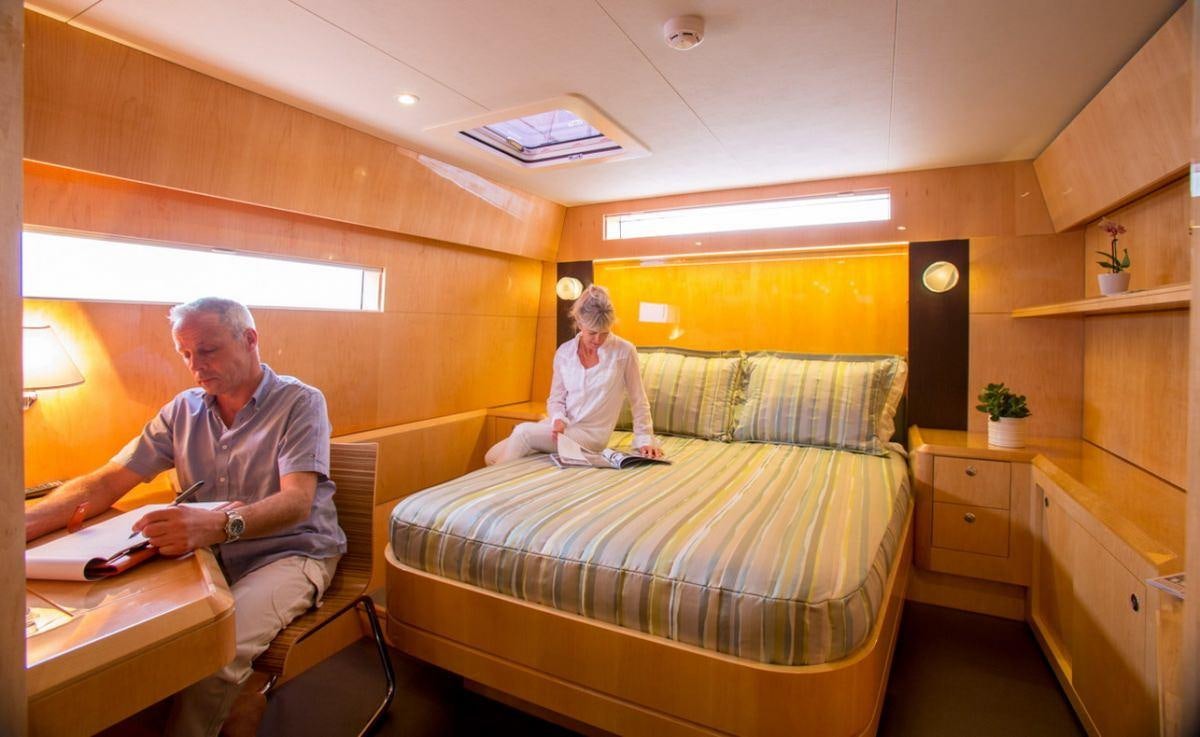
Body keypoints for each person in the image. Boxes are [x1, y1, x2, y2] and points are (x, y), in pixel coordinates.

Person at [24, 296, 346, 737]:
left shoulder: (300, 402)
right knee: (127, 641)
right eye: (186, 355)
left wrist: (217, 525)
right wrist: (23, 525)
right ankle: (238, 705)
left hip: (291, 553)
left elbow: (297, 502)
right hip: (208, 559)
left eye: (208, 351)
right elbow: (108, 481)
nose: (196, 367)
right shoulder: (183, 410)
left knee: (213, 658)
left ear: (249, 339)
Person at [485, 284, 662, 465]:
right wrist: (558, 419)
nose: (598, 340)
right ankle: (510, 477)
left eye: (604, 333)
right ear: (579, 323)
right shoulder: (564, 352)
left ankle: (494, 487)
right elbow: (556, 399)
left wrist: (644, 439)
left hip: (591, 435)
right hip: (564, 427)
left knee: (523, 433)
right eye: (592, 333)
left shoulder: (624, 351)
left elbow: (638, 399)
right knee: (490, 455)